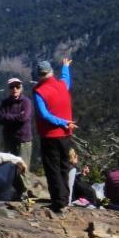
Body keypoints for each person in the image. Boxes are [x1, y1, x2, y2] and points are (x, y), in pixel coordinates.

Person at [33, 58, 76, 213]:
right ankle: (65, 199)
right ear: (51, 72)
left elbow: (44, 115)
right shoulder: (62, 86)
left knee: (53, 169)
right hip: (65, 135)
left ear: (38, 74)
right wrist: (65, 67)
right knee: (64, 166)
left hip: (50, 135)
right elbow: (65, 79)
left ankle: (58, 202)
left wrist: (62, 122)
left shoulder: (39, 91)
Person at [0, 77, 34, 167]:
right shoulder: (5, 103)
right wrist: (18, 116)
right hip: (9, 140)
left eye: (17, 87)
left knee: (22, 168)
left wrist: (8, 116)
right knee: (9, 167)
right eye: (12, 87)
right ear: (9, 89)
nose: (15, 89)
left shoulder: (26, 102)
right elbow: (1, 119)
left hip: (23, 141)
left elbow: (24, 118)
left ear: (21, 88)